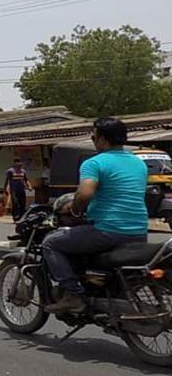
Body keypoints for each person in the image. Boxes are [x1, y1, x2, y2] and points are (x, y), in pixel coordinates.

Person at [42, 117, 149, 314]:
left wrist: (74, 211)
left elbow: (84, 194)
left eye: (94, 135)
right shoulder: (138, 163)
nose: (92, 139)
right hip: (139, 230)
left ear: (102, 139)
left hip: (107, 231)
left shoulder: (94, 163)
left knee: (51, 242)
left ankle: (73, 295)